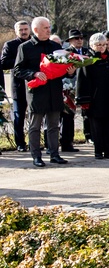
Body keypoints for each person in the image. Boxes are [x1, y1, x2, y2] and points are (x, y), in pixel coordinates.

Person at [14, 17, 75, 167]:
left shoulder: (55, 46)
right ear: (36, 30)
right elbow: (17, 70)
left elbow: (62, 68)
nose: (49, 30)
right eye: (45, 28)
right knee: (35, 125)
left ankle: (54, 154)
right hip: (37, 92)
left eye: (49, 27)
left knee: (54, 124)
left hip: (54, 90)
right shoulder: (25, 47)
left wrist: (70, 72)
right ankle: (36, 156)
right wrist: (33, 74)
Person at [75, 33, 109, 159]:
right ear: (92, 46)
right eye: (98, 45)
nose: (102, 47)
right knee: (97, 126)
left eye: (104, 44)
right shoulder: (87, 60)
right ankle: (98, 151)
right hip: (95, 99)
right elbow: (81, 81)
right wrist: (84, 101)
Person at [1, 20, 31, 152]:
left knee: (37, 115)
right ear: (16, 31)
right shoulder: (10, 45)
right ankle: (20, 144)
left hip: (36, 85)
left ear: (30, 29)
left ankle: (35, 143)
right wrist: (21, 61)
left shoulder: (35, 43)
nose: (24, 32)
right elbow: (4, 63)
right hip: (18, 86)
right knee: (19, 116)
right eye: (21, 30)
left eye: (25, 29)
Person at [60, 28, 90, 153]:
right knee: (68, 117)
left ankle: (91, 137)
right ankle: (67, 143)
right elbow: (60, 72)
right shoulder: (65, 53)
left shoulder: (88, 52)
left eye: (81, 38)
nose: (79, 40)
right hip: (69, 89)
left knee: (88, 114)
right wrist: (70, 74)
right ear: (70, 40)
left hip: (85, 87)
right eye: (76, 38)